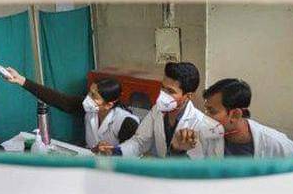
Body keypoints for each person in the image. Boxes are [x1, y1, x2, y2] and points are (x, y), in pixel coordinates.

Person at [95, 62, 223, 158]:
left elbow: (205, 171)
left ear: (188, 96)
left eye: (170, 91)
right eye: (163, 88)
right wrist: (115, 152)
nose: (163, 95)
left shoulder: (206, 127)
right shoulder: (157, 110)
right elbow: (140, 142)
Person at [5, 68, 139, 148]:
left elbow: (133, 155)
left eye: (94, 96)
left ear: (109, 104)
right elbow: (58, 99)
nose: (88, 99)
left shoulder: (126, 122)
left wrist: (114, 151)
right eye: (89, 93)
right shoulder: (90, 109)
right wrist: (22, 80)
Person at [202, 78, 293, 158]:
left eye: (212, 112)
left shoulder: (280, 146)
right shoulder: (204, 139)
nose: (205, 117)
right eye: (205, 111)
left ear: (235, 115)